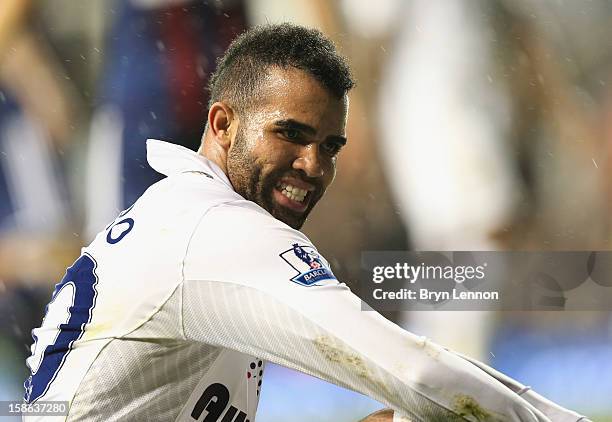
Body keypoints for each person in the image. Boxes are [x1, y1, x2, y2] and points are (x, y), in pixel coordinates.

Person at [23, 24, 588, 422]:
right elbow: (415, 373)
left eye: (331, 145)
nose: (314, 166)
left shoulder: (176, 212)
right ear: (222, 124)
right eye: (290, 134)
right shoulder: (217, 229)